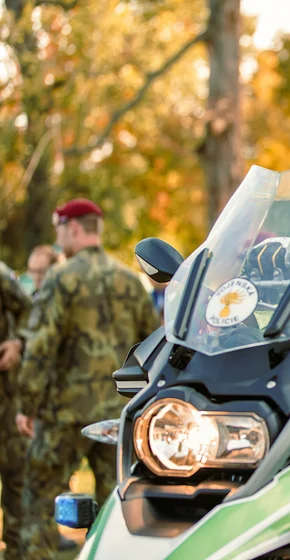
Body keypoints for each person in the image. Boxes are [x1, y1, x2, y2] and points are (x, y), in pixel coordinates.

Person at [17, 198, 161, 560]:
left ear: (74, 228)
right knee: (121, 505)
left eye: (60, 231)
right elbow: (154, 346)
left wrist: (26, 405)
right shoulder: (129, 281)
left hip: (64, 414)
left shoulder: (61, 278)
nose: (58, 239)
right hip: (119, 414)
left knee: (38, 498)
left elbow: (40, 347)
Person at [0, 261, 31, 558]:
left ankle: (15, 548)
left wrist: (17, 342)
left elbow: (29, 310)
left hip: (5, 396)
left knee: (14, 471)